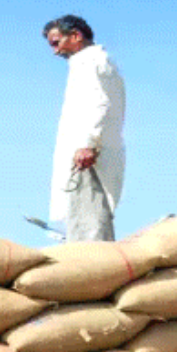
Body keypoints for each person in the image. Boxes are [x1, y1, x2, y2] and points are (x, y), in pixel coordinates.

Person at [44, 14, 126, 243]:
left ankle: (94, 272)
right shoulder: (91, 62)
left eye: (56, 42)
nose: (55, 51)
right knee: (82, 219)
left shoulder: (89, 62)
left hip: (89, 158)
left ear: (76, 36)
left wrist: (88, 145)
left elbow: (99, 103)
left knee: (89, 224)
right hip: (88, 152)